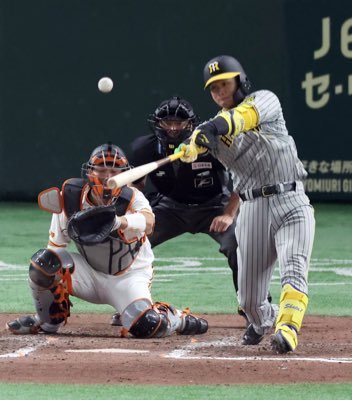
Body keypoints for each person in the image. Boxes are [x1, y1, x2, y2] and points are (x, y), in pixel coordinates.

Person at [176, 55, 315, 353]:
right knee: (249, 300)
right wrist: (189, 147)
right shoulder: (210, 130)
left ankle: (288, 327)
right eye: (213, 89)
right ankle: (264, 319)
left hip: (290, 200)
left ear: (239, 81)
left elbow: (240, 119)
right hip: (252, 208)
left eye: (224, 84)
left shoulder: (265, 101)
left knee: (293, 267)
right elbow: (197, 143)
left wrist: (209, 130)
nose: (219, 92)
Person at [7, 143, 208, 338]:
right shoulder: (70, 197)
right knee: (44, 263)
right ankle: (48, 321)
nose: (107, 176)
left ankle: (176, 318)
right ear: (89, 172)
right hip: (89, 272)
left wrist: (120, 222)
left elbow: (149, 222)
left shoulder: (132, 197)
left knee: (149, 325)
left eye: (114, 170)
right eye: (102, 169)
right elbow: (55, 249)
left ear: (125, 174)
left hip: (128, 277)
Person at [111, 96, 254, 327]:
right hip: (170, 208)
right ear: (157, 123)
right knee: (130, 241)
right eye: (167, 122)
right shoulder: (145, 148)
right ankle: (130, 304)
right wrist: (131, 215)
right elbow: (136, 187)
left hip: (214, 206)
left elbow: (242, 178)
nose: (173, 128)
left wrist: (229, 213)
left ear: (191, 124)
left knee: (238, 243)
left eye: (180, 123)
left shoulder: (212, 143)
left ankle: (253, 306)